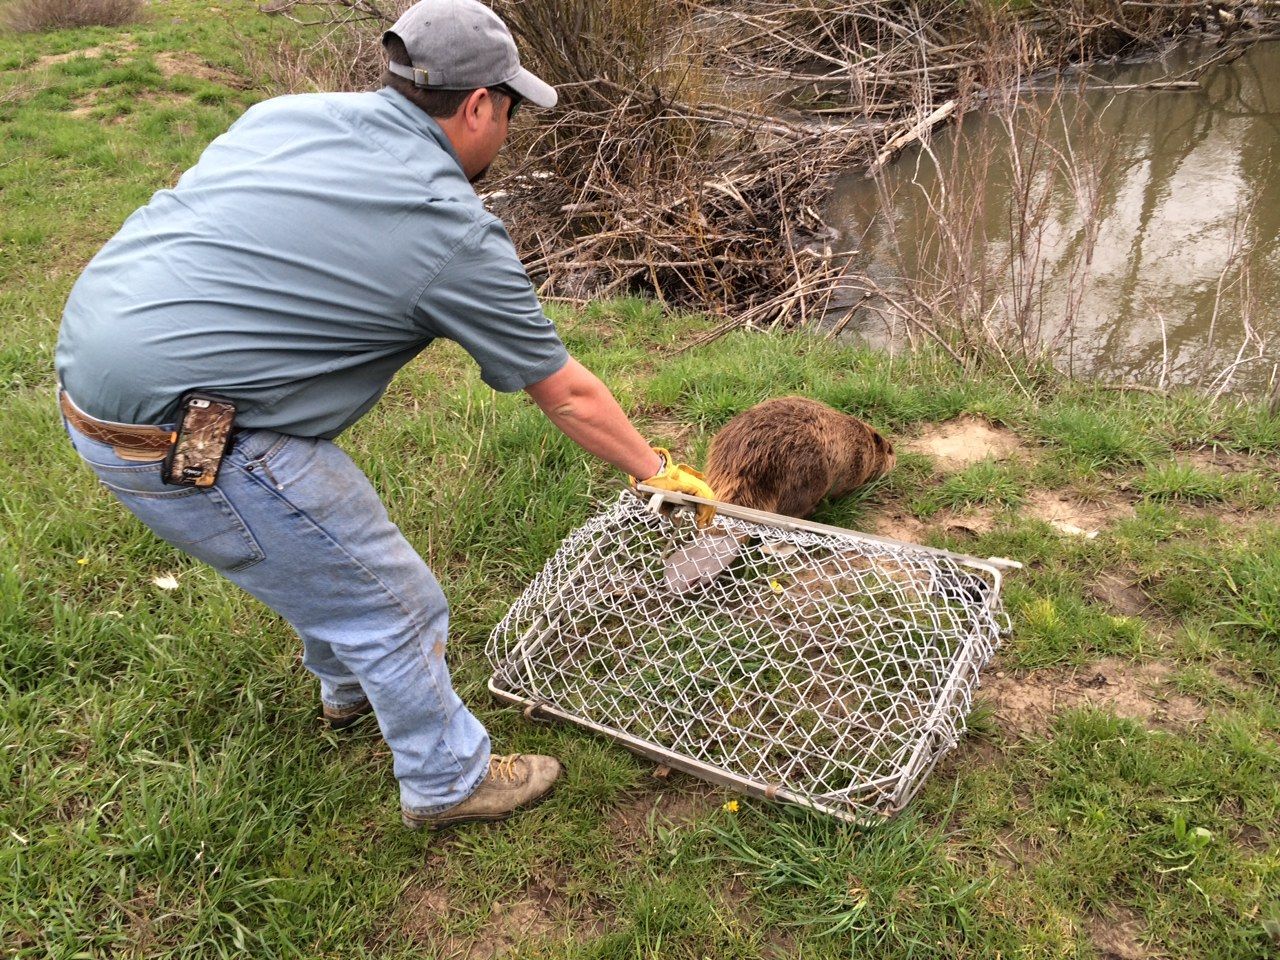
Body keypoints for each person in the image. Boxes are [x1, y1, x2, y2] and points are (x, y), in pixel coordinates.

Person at [54, 0, 716, 830]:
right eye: (509, 111)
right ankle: (449, 781)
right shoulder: (452, 233)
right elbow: (569, 392)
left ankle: (346, 693)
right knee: (395, 602)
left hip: (89, 383)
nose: (507, 131)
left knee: (324, 551)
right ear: (479, 106)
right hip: (191, 441)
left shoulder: (284, 115)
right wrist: (655, 470)